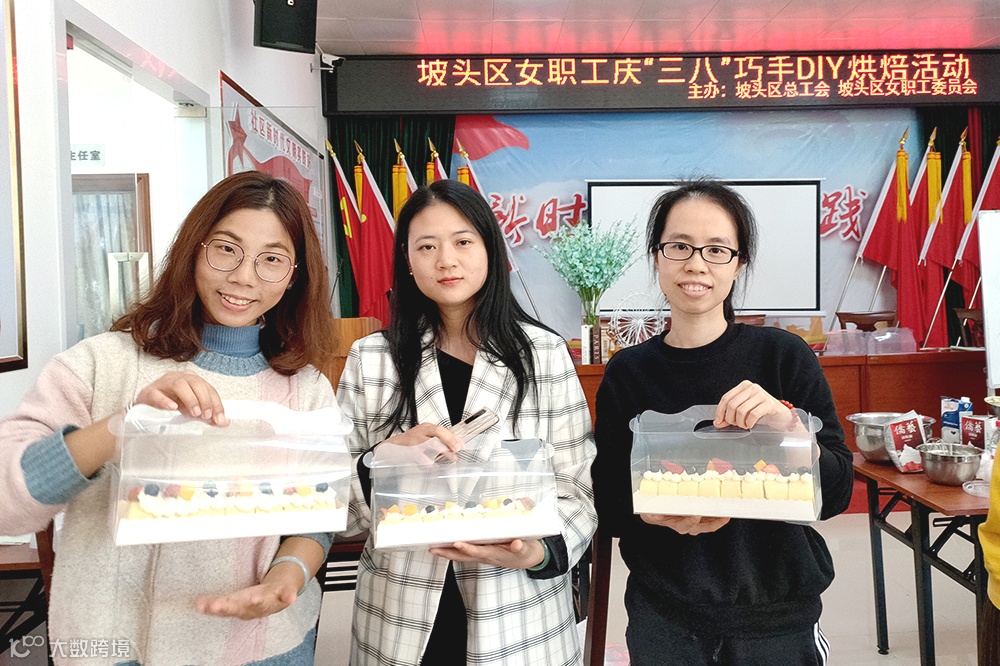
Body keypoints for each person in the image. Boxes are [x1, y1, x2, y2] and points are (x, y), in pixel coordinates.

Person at [0, 171, 340, 665]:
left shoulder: (306, 388)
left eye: (271, 259)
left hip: (263, 649)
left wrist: (285, 578)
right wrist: (123, 426)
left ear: (294, 275)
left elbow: (318, 519)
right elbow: (7, 504)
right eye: (226, 249)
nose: (244, 277)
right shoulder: (101, 364)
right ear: (193, 250)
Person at [592, 179, 853, 665]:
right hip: (665, 619)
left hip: (775, 619)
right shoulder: (629, 372)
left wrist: (790, 428)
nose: (696, 264)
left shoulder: (783, 356)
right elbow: (607, 501)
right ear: (656, 256)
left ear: (739, 263)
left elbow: (835, 494)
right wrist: (650, 513)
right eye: (679, 246)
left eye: (716, 250)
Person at [337, 179, 597, 665]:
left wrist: (536, 552)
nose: (446, 260)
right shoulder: (371, 358)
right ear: (407, 261)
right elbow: (337, 503)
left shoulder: (542, 354)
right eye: (426, 246)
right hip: (401, 607)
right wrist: (380, 462)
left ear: (490, 251)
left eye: (462, 242)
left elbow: (577, 486)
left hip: (517, 609)